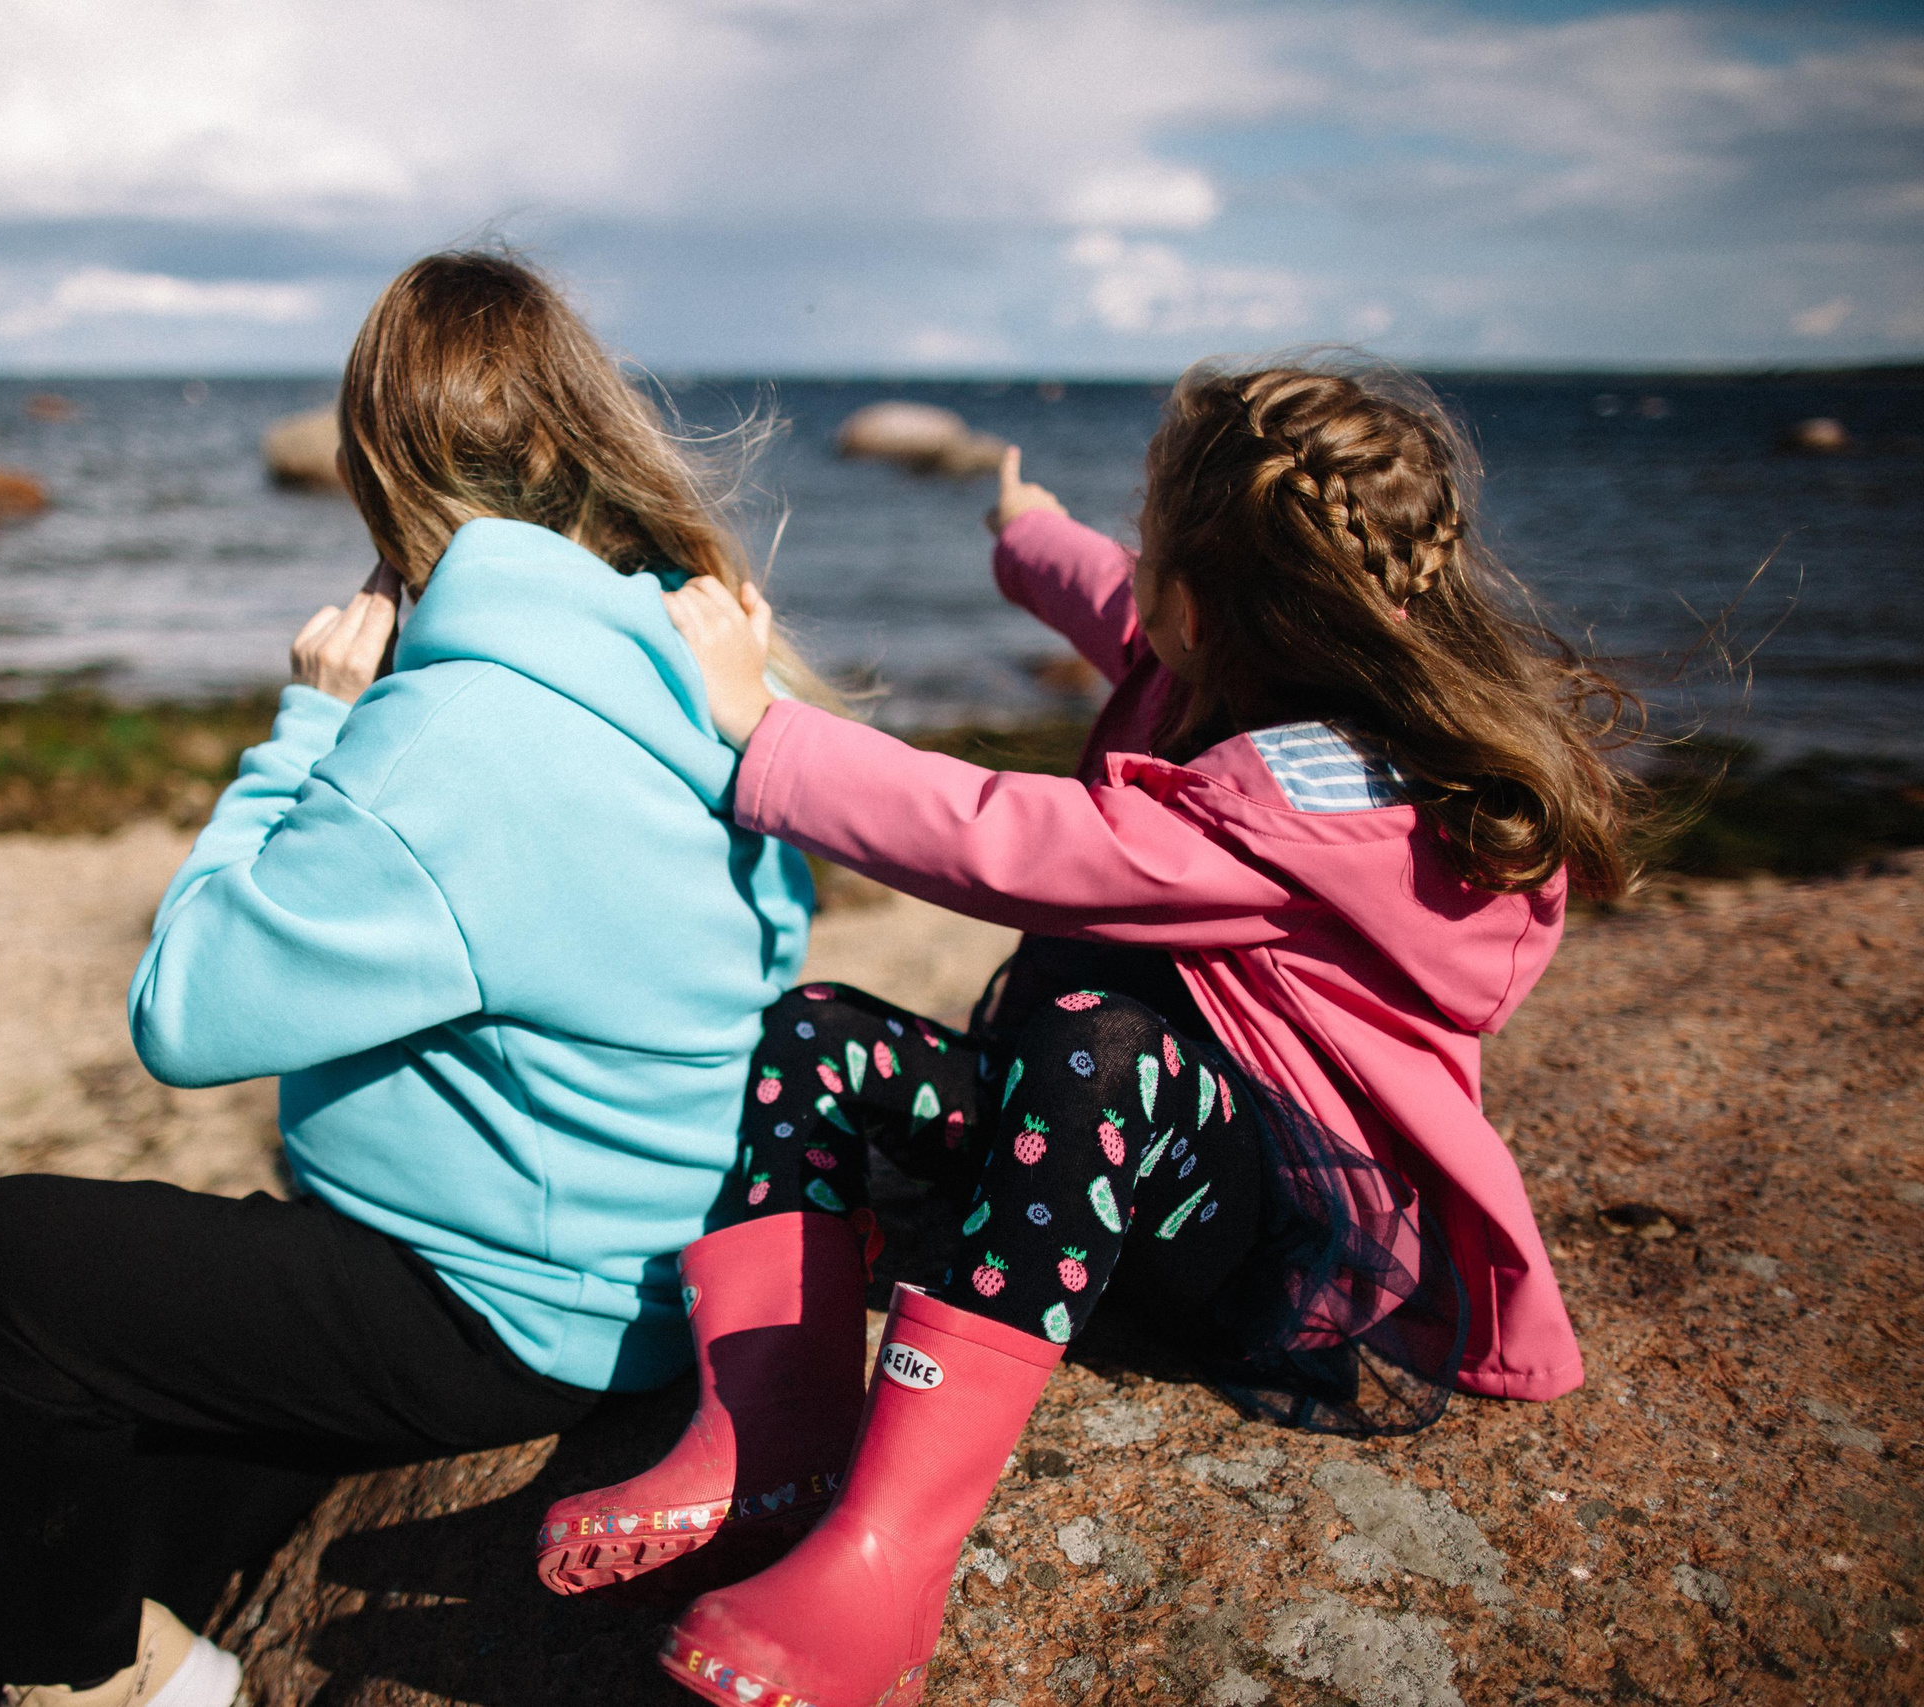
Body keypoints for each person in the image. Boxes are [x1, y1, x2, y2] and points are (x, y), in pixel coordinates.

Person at [564, 358, 1634, 1707]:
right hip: (1070, 1156)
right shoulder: (1209, 659)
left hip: (1241, 1237)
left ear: (1198, 601)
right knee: (814, 1034)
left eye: (1149, 547)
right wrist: (1027, 536)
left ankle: (889, 1558)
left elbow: (1013, 843)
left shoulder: (1305, 808)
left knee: (1098, 1045)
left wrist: (761, 726)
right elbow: (1106, 596)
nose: (1128, 574)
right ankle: (771, 1427)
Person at [0, 251, 833, 1706]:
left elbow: (187, 1013)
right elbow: (771, 948)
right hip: (653, 1270)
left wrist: (309, 728)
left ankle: (100, 1688)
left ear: (375, 469)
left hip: (506, 1305)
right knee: (156, 1438)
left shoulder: (449, 736)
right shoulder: (701, 670)